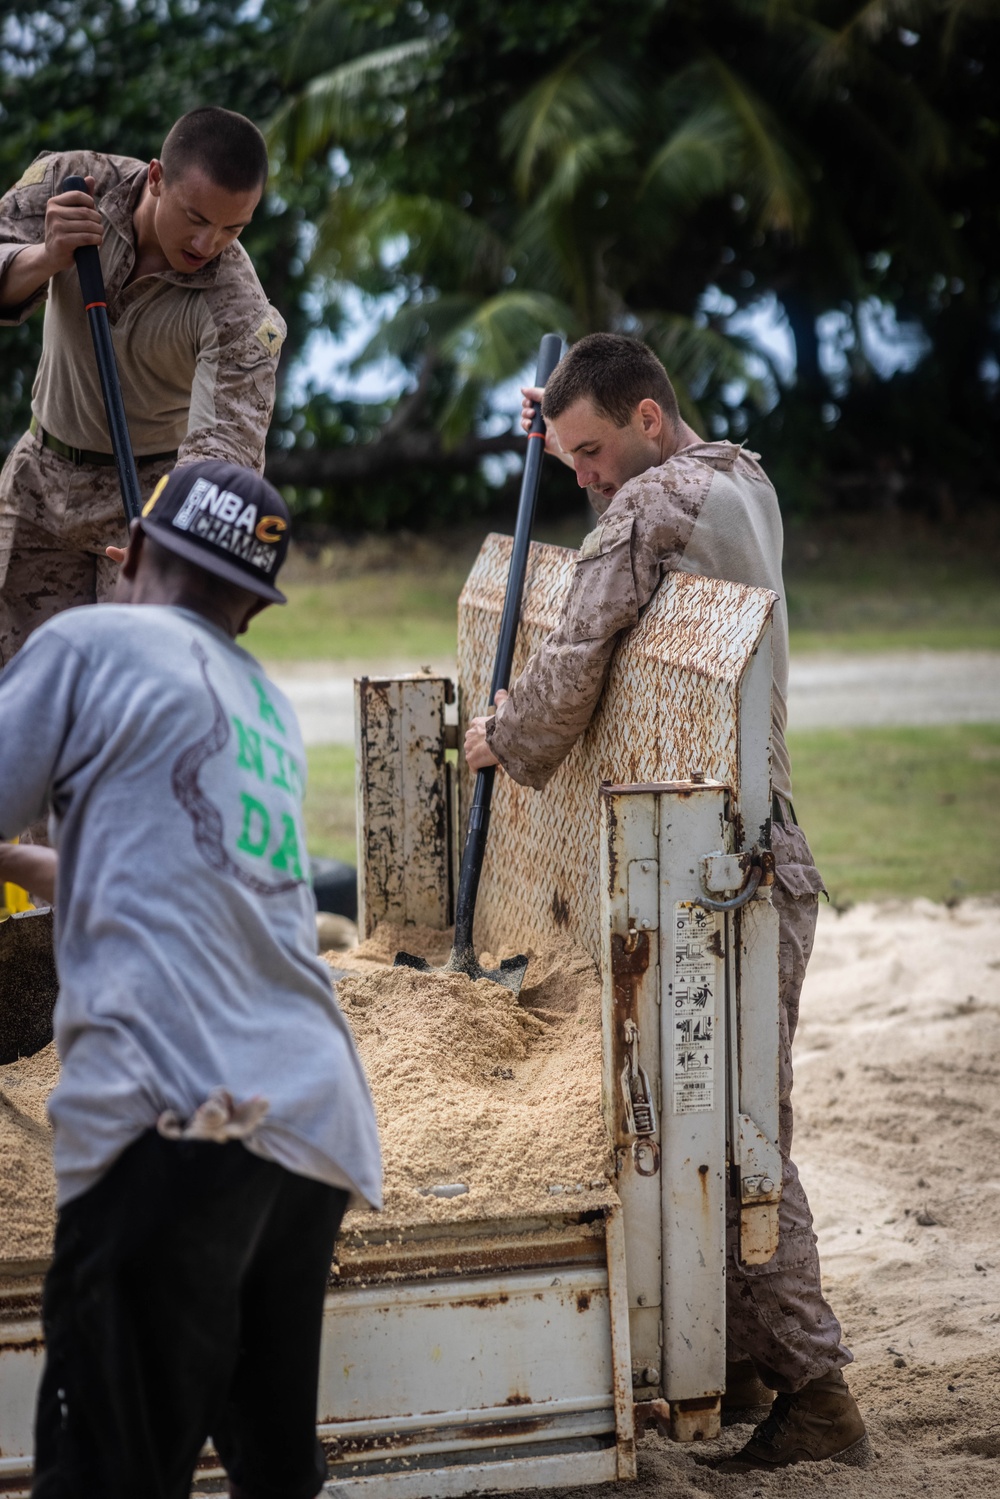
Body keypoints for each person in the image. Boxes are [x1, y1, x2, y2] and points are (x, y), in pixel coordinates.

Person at [464, 332, 867, 1471]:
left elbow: (569, 662)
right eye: (567, 454)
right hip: (762, 850)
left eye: (590, 451)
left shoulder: (645, 512)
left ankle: (816, 1387)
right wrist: (562, 415)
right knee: (717, 1119)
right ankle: (734, 1360)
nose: (581, 473)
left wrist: (501, 733)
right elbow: (613, 374)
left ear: (647, 420)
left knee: (733, 1135)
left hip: (711, 869)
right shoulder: (740, 472)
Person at [0, 460, 381, 1499]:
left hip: (176, 1116)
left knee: (102, 1472)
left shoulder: (89, 639)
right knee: (271, 1473)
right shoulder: (260, 705)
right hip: (307, 1122)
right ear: (250, 602)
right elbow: (159, 866)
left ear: (128, 550)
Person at [0, 106, 287, 668]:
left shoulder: (238, 308)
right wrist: (46, 256)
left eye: (233, 228)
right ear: (156, 177)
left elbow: (225, 453)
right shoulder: (75, 184)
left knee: (130, 694)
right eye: (196, 217)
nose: (209, 242)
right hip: (38, 480)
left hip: (148, 505)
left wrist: (171, 538)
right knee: (14, 693)